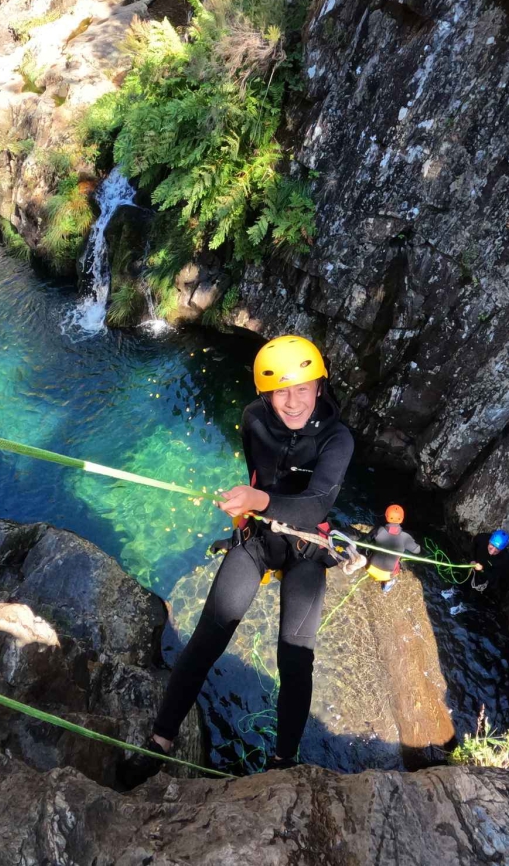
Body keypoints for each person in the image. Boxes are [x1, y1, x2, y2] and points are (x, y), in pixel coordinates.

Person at [119, 335, 354, 786]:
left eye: (303, 388)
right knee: (208, 635)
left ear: (320, 386)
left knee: (295, 655)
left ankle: (283, 762)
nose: (292, 401)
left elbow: (317, 504)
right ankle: (160, 741)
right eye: (281, 391)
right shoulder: (253, 419)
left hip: (305, 545)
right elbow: (255, 469)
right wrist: (247, 506)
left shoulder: (337, 438)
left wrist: (258, 499)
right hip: (259, 538)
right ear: (265, 393)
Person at [364, 504, 420, 594]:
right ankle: (386, 586)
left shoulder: (379, 530)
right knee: (399, 560)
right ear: (401, 519)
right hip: (387, 575)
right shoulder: (405, 537)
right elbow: (417, 550)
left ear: (386, 516)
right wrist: (411, 540)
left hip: (369, 567)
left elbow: (365, 541)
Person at [469, 528, 509, 594]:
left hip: (486, 575)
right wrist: (472, 560)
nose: (492, 552)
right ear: (489, 541)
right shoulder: (482, 538)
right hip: (477, 563)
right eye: (492, 545)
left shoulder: (504, 559)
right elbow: (473, 546)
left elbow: (496, 576)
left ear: (502, 549)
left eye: (497, 549)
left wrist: (482, 570)